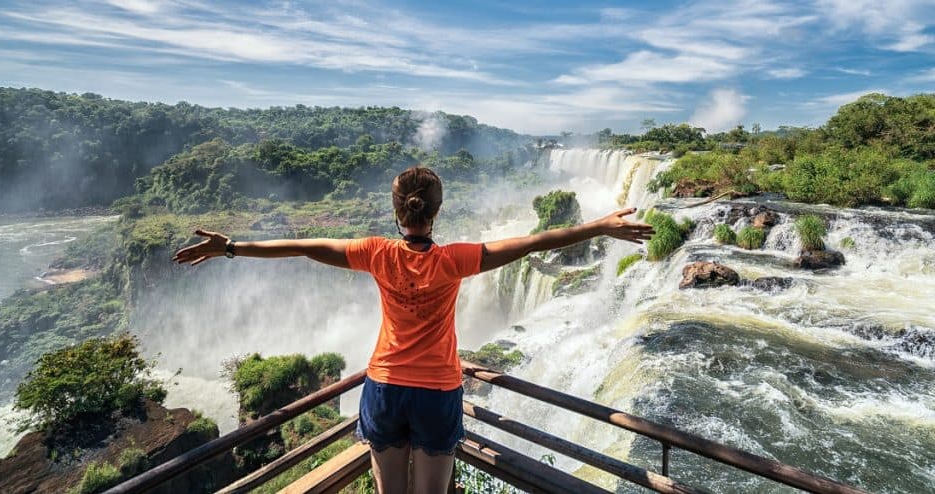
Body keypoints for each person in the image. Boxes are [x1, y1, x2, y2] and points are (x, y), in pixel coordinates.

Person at [172, 166, 654, 493]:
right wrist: (597, 228)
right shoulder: (456, 259)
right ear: (435, 212)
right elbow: (531, 243)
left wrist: (231, 247)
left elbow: (303, 247)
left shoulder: (376, 253)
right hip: (437, 390)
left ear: (397, 212)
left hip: (382, 387)